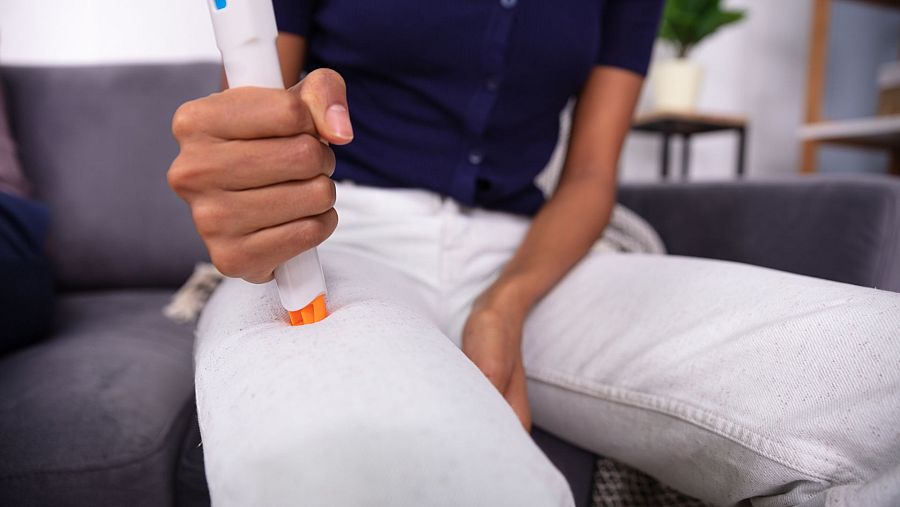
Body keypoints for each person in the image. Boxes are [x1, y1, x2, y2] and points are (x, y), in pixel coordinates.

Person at [168, 1, 900, 505]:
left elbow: (589, 177)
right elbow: (255, 129)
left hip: (527, 257)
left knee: (879, 375)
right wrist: (254, 186)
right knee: (349, 463)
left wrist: (504, 306)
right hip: (337, 239)